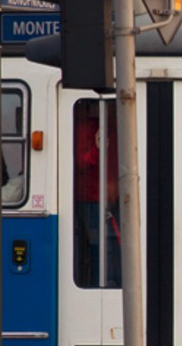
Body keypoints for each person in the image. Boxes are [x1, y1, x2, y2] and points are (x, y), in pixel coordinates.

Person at [73, 103, 121, 287]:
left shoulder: (118, 125)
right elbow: (78, 164)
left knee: (112, 246)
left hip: (113, 197)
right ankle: (101, 284)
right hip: (92, 198)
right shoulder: (84, 128)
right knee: (100, 247)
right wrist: (96, 151)